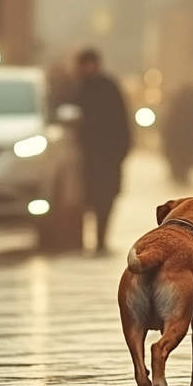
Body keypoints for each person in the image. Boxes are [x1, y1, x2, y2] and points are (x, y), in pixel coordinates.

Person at [73, 49, 133, 255]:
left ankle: (101, 239)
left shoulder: (108, 87)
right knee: (83, 200)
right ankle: (81, 239)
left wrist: (121, 152)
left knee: (105, 200)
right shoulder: (74, 88)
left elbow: (122, 121)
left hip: (108, 156)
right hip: (82, 158)